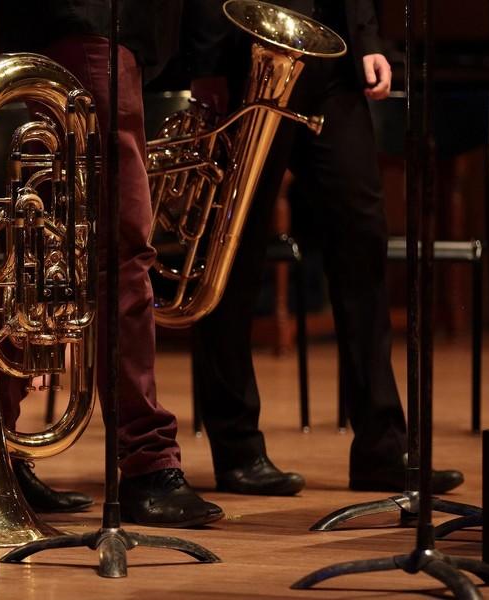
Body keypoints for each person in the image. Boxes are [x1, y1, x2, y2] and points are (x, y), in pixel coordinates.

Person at [188, 0, 465, 496]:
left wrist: (368, 40)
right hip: (250, 57)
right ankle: (238, 450)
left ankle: (382, 448)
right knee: (235, 253)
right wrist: (207, 64)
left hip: (332, 66)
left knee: (363, 240)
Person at [0, 1, 224, 528]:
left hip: (82, 30)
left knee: (49, 245)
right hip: (93, 27)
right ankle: (147, 463)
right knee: (120, 252)